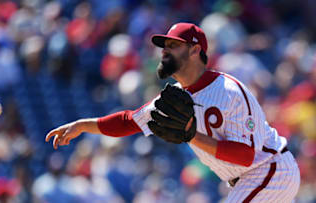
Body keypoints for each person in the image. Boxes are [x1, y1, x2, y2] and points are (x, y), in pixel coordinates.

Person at [45, 22, 300, 202]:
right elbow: (129, 121)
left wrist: (192, 136)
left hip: (269, 170)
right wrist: (82, 125)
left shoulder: (230, 91)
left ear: (195, 50)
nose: (164, 50)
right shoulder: (175, 96)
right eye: (164, 45)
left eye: (173, 45)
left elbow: (246, 156)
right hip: (247, 180)